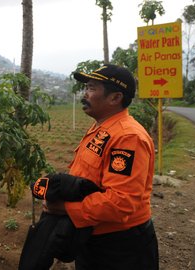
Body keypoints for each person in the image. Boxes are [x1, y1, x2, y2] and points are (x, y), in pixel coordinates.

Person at [43, 64, 159, 269]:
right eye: (86, 87)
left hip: (120, 247)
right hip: (93, 235)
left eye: (91, 88)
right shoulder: (101, 126)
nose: (84, 94)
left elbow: (121, 202)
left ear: (115, 98)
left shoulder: (128, 137)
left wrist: (66, 208)